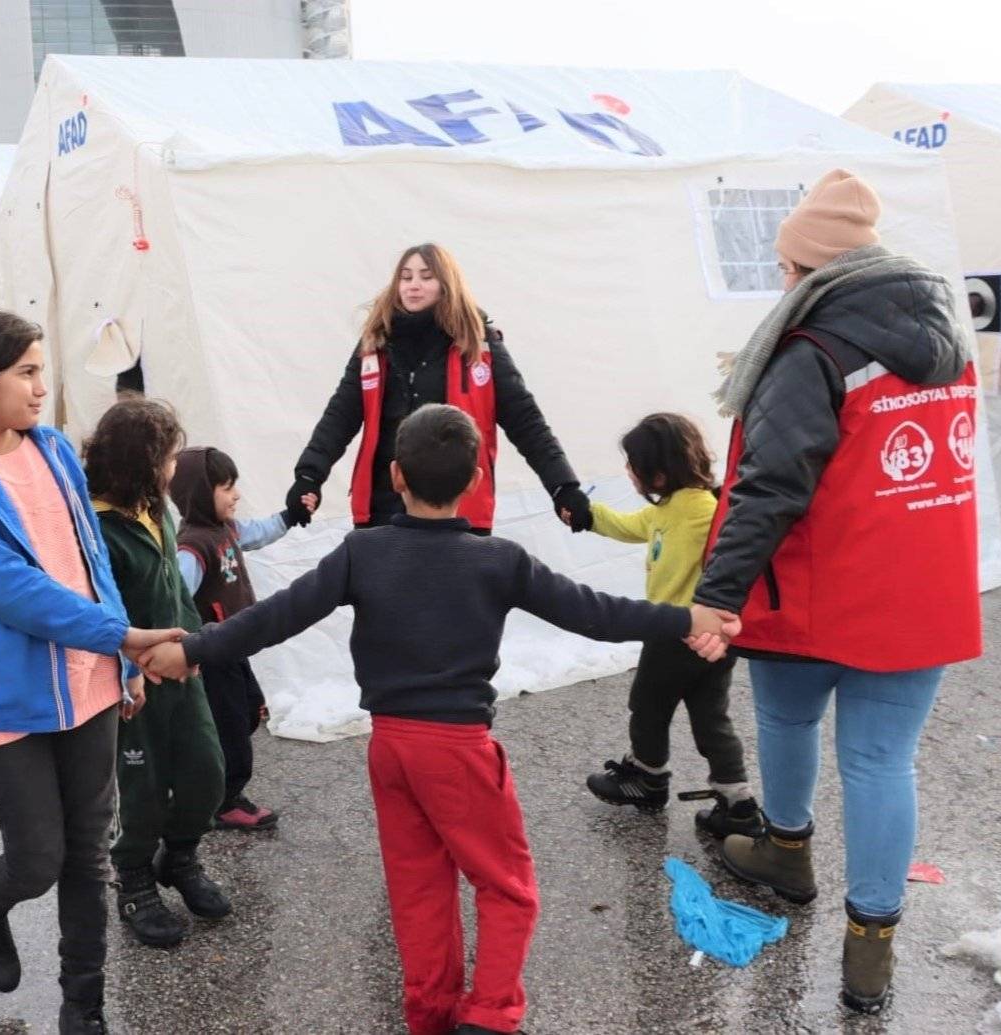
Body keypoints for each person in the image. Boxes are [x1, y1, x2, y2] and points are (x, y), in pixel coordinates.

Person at [143, 404, 739, 1035]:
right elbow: (597, 613)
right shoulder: (499, 559)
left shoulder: (361, 552)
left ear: (395, 475)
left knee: (420, 890)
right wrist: (688, 617)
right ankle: (489, 1015)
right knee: (507, 887)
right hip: (458, 751)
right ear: (477, 481)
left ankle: (429, 1017)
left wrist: (190, 649)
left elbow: (273, 618)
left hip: (390, 751)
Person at [693, 169, 982, 1014]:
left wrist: (717, 592)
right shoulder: (945, 336)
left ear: (819, 266)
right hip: (922, 589)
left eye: (789, 266)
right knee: (881, 761)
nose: (783, 281)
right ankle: (870, 950)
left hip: (818, 585)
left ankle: (787, 852)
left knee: (787, 718)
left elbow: (766, 487)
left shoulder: (812, 347)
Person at [0, 308, 182, 1035]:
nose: (40, 387)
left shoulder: (54, 449)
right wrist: (120, 635)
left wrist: (120, 658)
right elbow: (4, 588)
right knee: (36, 858)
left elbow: (94, 565)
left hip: (89, 678)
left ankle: (82, 1008)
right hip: (9, 691)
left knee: (88, 857)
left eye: (41, 370)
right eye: (25, 372)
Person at [283, 242, 591, 535]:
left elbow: (526, 422)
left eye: (426, 277)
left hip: (459, 513)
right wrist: (309, 476)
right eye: (405, 277)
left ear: (447, 284)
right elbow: (339, 417)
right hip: (383, 509)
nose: (413, 285)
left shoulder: (479, 345)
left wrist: (563, 487)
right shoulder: (374, 345)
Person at [82, 398, 231, 950]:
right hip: (132, 682)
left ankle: (181, 857)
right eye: (167, 458)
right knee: (140, 789)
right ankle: (136, 881)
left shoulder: (156, 509)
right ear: (140, 462)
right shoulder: (95, 527)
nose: (174, 469)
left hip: (182, 668)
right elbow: (99, 612)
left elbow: (174, 591)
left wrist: (197, 649)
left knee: (206, 772)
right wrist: (127, 671)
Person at [582, 413, 762, 837]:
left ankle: (646, 777)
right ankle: (737, 800)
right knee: (711, 717)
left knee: (648, 705)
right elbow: (630, 526)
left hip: (676, 632)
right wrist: (585, 514)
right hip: (714, 638)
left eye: (633, 466)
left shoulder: (696, 511)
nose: (629, 472)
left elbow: (691, 563)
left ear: (658, 474)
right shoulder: (687, 506)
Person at [169, 446, 316, 830]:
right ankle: (224, 801)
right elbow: (177, 600)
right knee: (232, 725)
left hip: (234, 648)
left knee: (249, 710)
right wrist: (183, 647)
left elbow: (259, 532)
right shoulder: (193, 547)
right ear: (200, 492)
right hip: (212, 654)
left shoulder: (226, 529)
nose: (235, 494)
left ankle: (202, 778)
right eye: (226, 487)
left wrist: (291, 515)